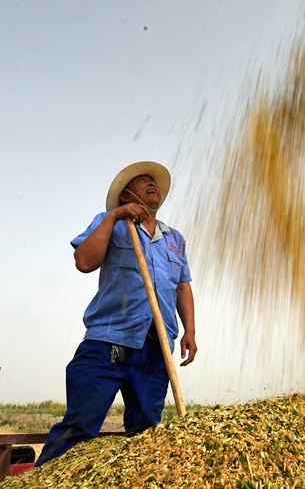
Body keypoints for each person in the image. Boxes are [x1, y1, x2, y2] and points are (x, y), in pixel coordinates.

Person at [35, 161, 197, 466]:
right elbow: (84, 261)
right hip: (108, 342)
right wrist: (114, 217)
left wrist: (190, 330)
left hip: (156, 349)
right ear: (125, 196)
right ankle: (42, 480)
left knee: (147, 433)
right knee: (78, 426)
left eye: (155, 182)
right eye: (143, 181)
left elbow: (183, 287)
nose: (153, 185)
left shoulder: (175, 240)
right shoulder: (110, 221)